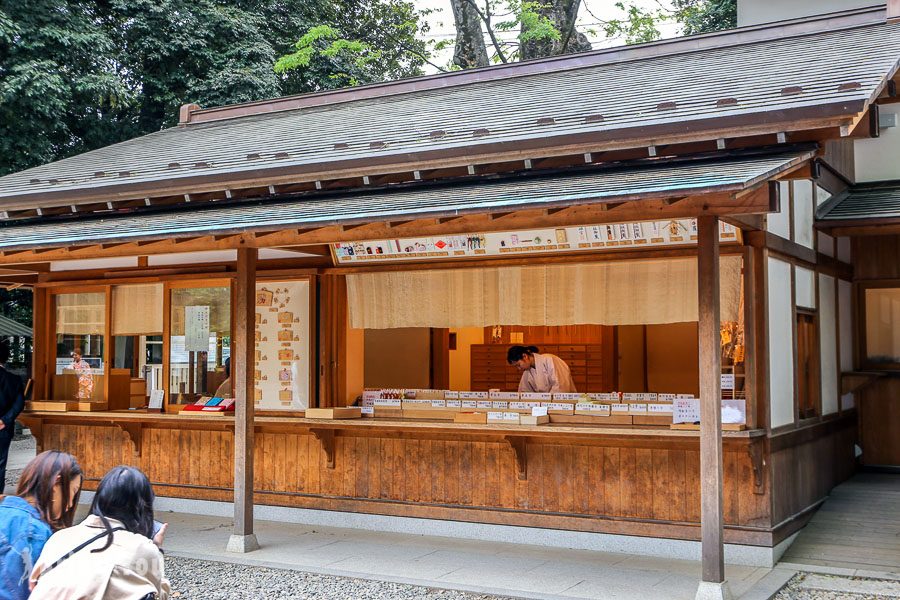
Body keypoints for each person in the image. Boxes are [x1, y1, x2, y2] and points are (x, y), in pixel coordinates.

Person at [30, 465, 170, 600]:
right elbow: (160, 594)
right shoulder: (142, 548)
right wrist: (157, 549)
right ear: (142, 508)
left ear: (99, 499)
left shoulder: (58, 538)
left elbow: (33, 582)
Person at [0, 451, 82, 600]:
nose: (70, 505)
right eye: (73, 492)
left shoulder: (4, 510)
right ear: (56, 484)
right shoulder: (35, 532)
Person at [0, 342, 25, 493]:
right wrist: (4, 420)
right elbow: (19, 403)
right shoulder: (14, 379)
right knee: (0, 464)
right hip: (3, 428)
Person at [507, 345, 577, 393]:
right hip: (543, 405)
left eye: (518, 365)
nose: (519, 368)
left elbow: (560, 385)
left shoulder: (549, 360)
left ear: (525, 356)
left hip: (560, 403)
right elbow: (524, 391)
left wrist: (547, 403)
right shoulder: (527, 371)